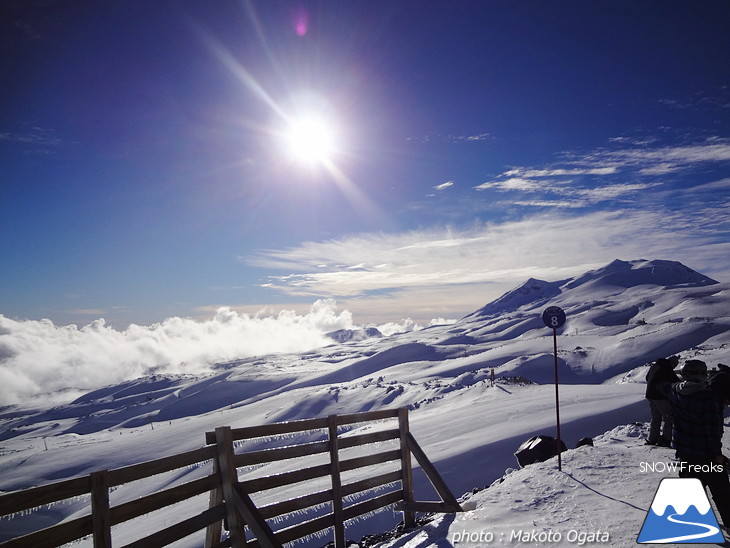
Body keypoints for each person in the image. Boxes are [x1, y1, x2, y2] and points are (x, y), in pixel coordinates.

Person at [656, 359, 730, 528]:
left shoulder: (675, 391)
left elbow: (661, 385)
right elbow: (712, 431)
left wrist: (660, 368)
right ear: (701, 375)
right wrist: (717, 454)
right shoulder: (709, 398)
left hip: (685, 452)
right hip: (707, 455)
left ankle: (696, 523)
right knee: (722, 492)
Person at [644, 356, 680, 446]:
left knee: (656, 418)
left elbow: (647, 378)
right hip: (660, 396)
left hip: (650, 394)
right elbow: (675, 381)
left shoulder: (655, 366)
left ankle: (652, 439)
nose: (674, 367)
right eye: (674, 365)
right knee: (668, 418)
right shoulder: (667, 368)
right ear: (672, 363)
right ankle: (666, 439)